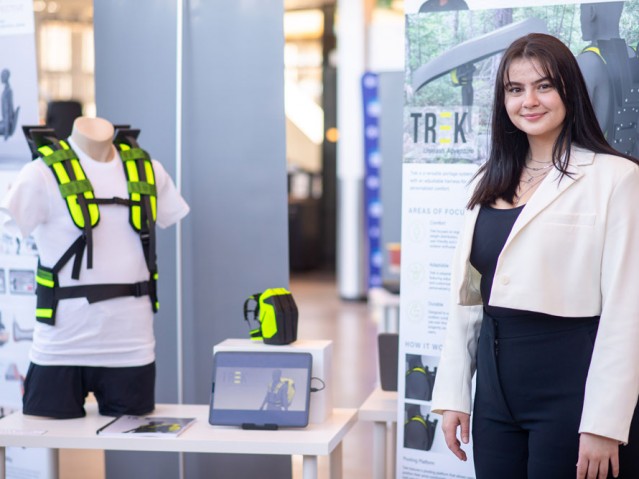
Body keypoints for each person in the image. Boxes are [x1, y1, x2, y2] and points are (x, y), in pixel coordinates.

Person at [430, 33, 639, 479]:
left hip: (571, 385)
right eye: (515, 89)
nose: (529, 100)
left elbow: (628, 310)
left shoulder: (616, 178)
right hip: (495, 389)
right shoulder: (487, 182)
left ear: (570, 90)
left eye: (544, 86)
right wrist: (453, 394)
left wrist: (604, 423)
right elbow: (467, 301)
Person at [0, 116, 189, 419]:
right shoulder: (40, 174)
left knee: (131, 442)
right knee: (42, 434)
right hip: (59, 348)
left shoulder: (149, 170)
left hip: (131, 348)